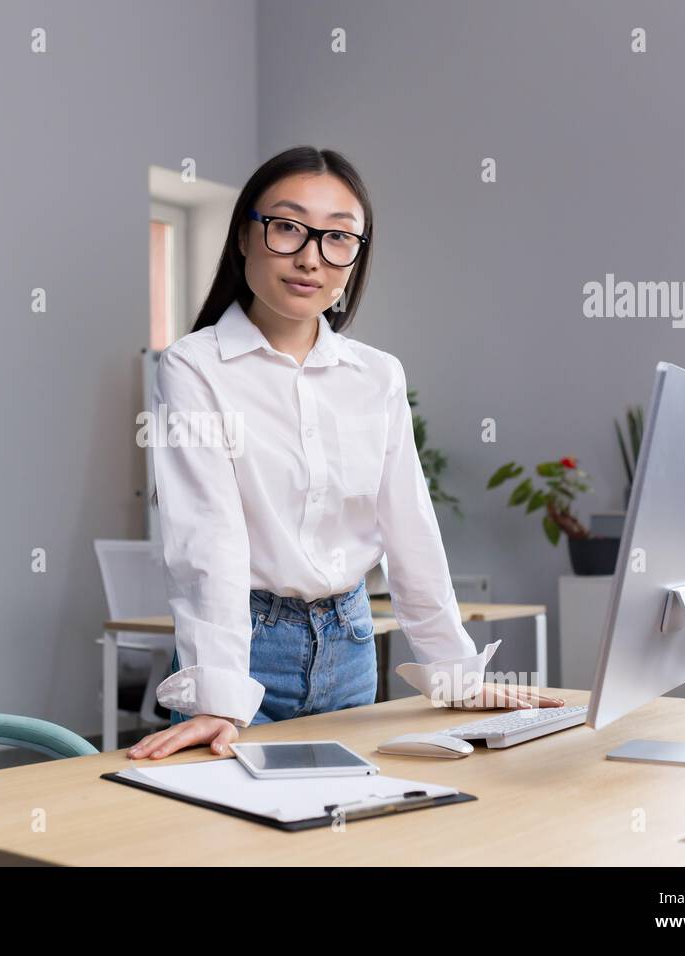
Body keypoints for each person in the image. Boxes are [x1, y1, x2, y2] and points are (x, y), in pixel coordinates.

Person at [130, 146, 562, 762]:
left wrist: (454, 673)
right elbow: (209, 540)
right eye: (287, 227)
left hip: (352, 645)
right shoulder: (193, 367)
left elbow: (410, 527)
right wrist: (217, 697)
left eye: (339, 238)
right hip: (246, 651)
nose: (312, 257)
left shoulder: (377, 375)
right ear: (244, 238)